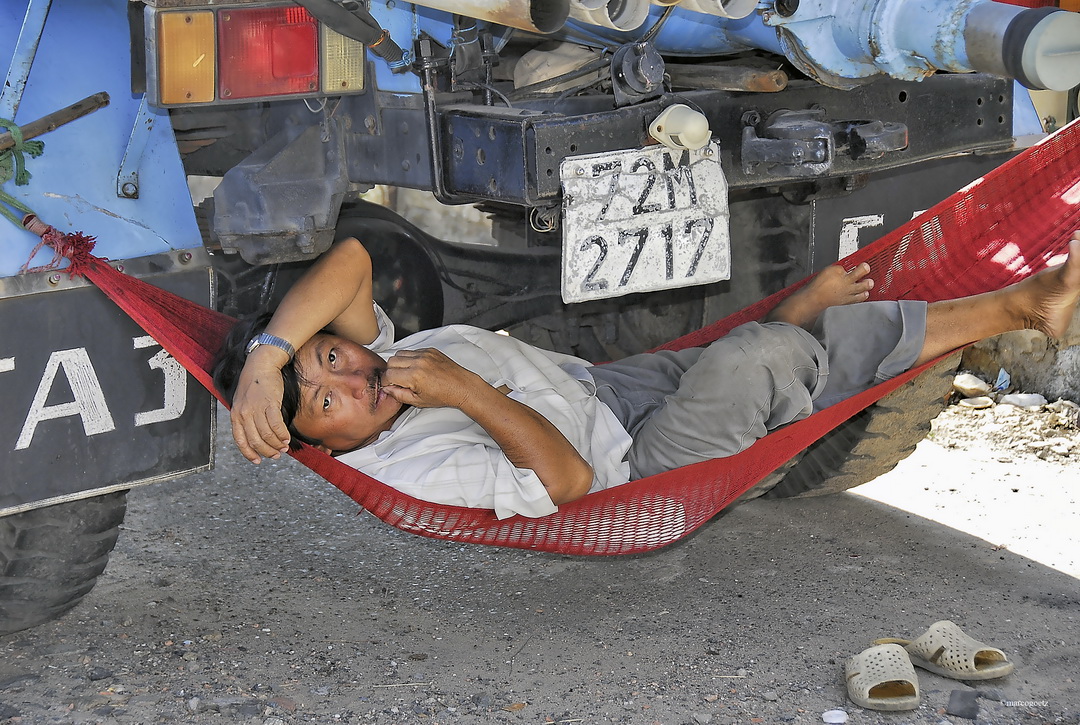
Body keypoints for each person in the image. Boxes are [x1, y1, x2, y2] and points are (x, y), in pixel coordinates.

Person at [213, 233, 1080, 519]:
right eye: (327, 405)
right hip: (635, 469)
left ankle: (795, 324)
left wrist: (269, 358)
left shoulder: (385, 359)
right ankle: (1021, 307)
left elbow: (356, 257)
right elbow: (571, 478)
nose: (349, 381)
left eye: (333, 358)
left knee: (730, 360)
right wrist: (462, 389)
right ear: (317, 447)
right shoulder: (405, 462)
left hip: (604, 389)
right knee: (761, 361)